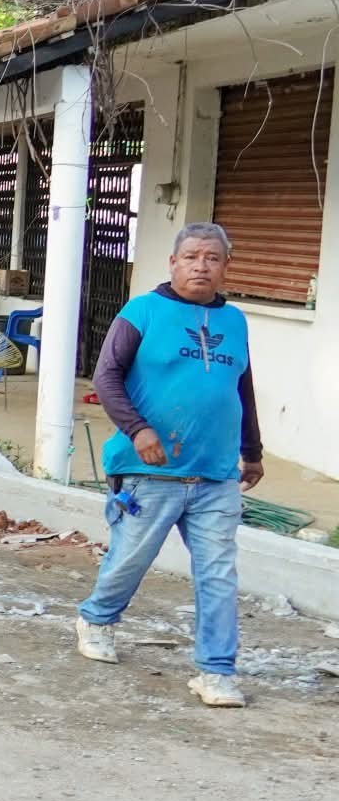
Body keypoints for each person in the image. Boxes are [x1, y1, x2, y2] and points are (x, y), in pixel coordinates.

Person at [75, 223, 264, 709]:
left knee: (219, 572)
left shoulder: (236, 321)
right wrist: (138, 429)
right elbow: (106, 375)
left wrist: (253, 450)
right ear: (173, 263)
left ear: (226, 266)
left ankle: (216, 671)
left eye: (212, 258)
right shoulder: (143, 312)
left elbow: (241, 387)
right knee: (132, 557)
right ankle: (97, 618)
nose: (201, 266)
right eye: (191, 257)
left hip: (216, 473)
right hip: (150, 470)